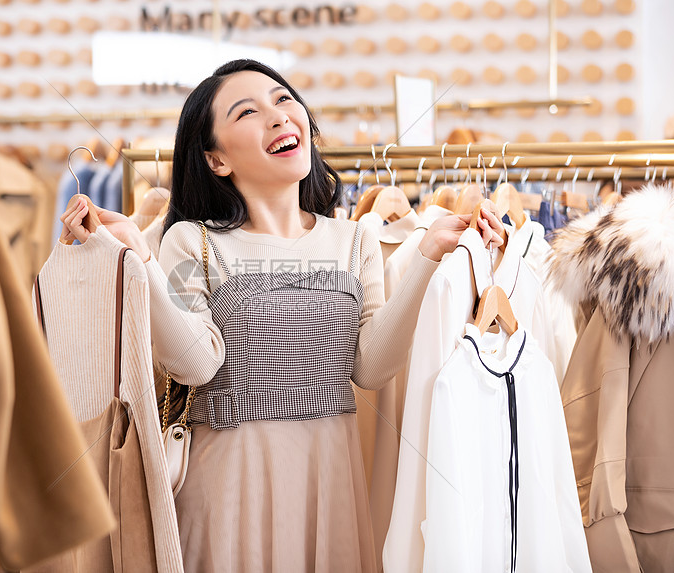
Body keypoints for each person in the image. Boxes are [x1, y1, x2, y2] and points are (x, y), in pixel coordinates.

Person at [60, 59, 505, 572]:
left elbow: (372, 367)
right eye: (248, 111)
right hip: (227, 495)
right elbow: (196, 364)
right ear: (216, 160)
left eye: (283, 99)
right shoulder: (190, 241)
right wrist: (140, 253)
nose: (277, 116)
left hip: (330, 490)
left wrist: (426, 256)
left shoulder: (353, 239)